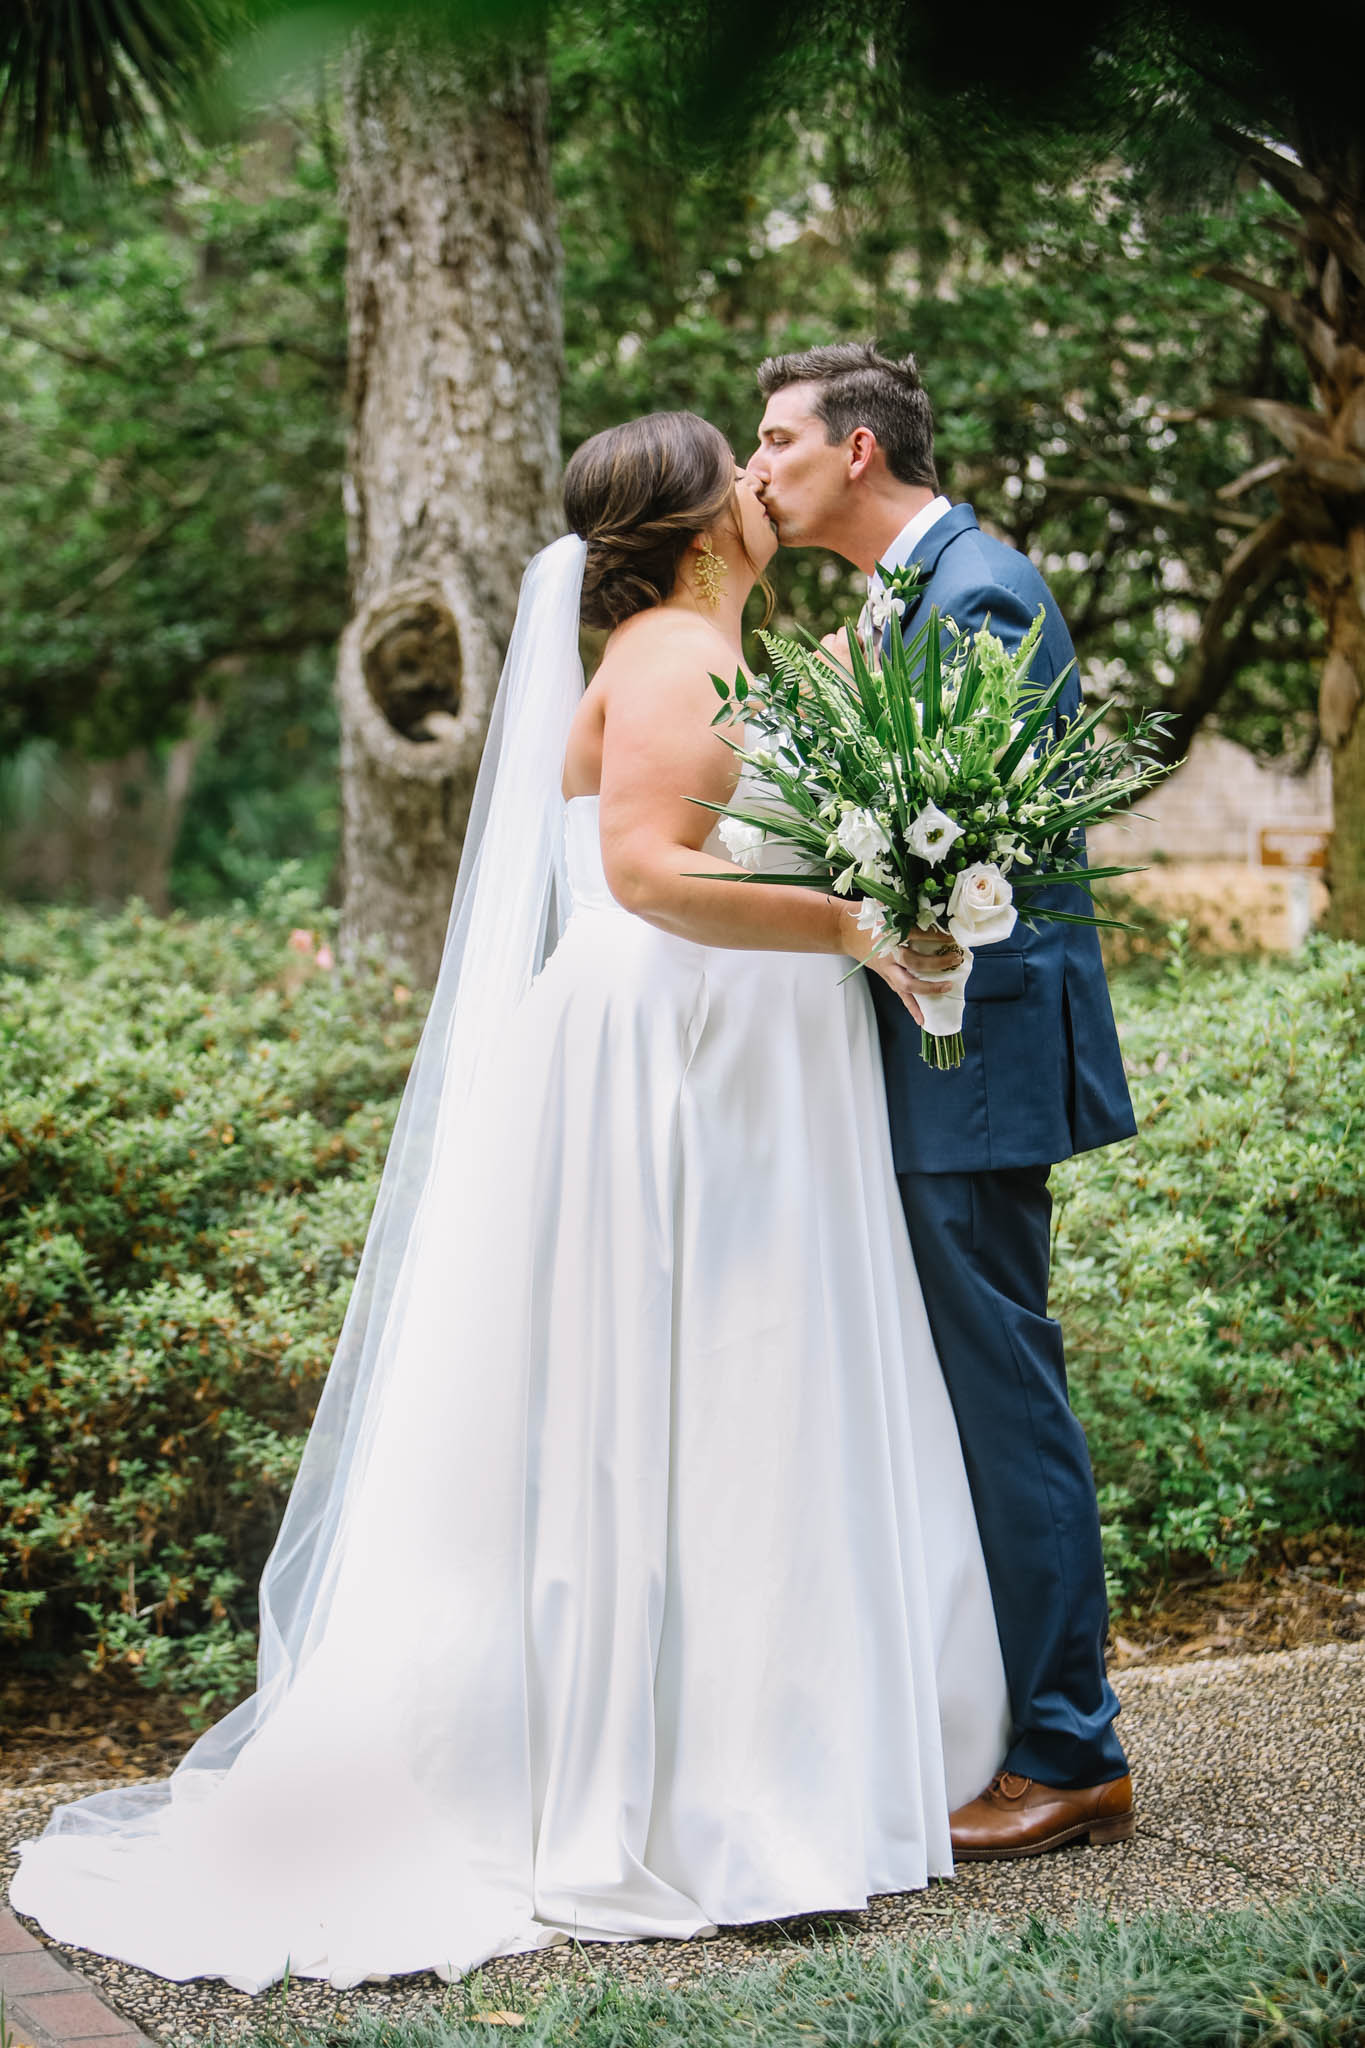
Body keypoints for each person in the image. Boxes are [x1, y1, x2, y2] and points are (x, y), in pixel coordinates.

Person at [11, 412, 1009, 1993]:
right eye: (739, 472)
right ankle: (697, 1786)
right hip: (681, 1053)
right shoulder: (677, 655)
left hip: (727, 1047)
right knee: (700, 1389)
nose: (767, 484)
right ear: (695, 534)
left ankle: (742, 1746)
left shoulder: (705, 649)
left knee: (718, 1394)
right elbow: (645, 872)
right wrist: (864, 928)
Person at [748, 344, 1138, 1860]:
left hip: (965, 1057)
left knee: (1001, 1392)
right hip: (919, 1046)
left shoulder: (974, 587)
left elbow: (986, 858)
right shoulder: (901, 591)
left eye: (775, 440)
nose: (754, 466)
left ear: (855, 451)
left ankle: (1069, 1749)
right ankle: (994, 1714)